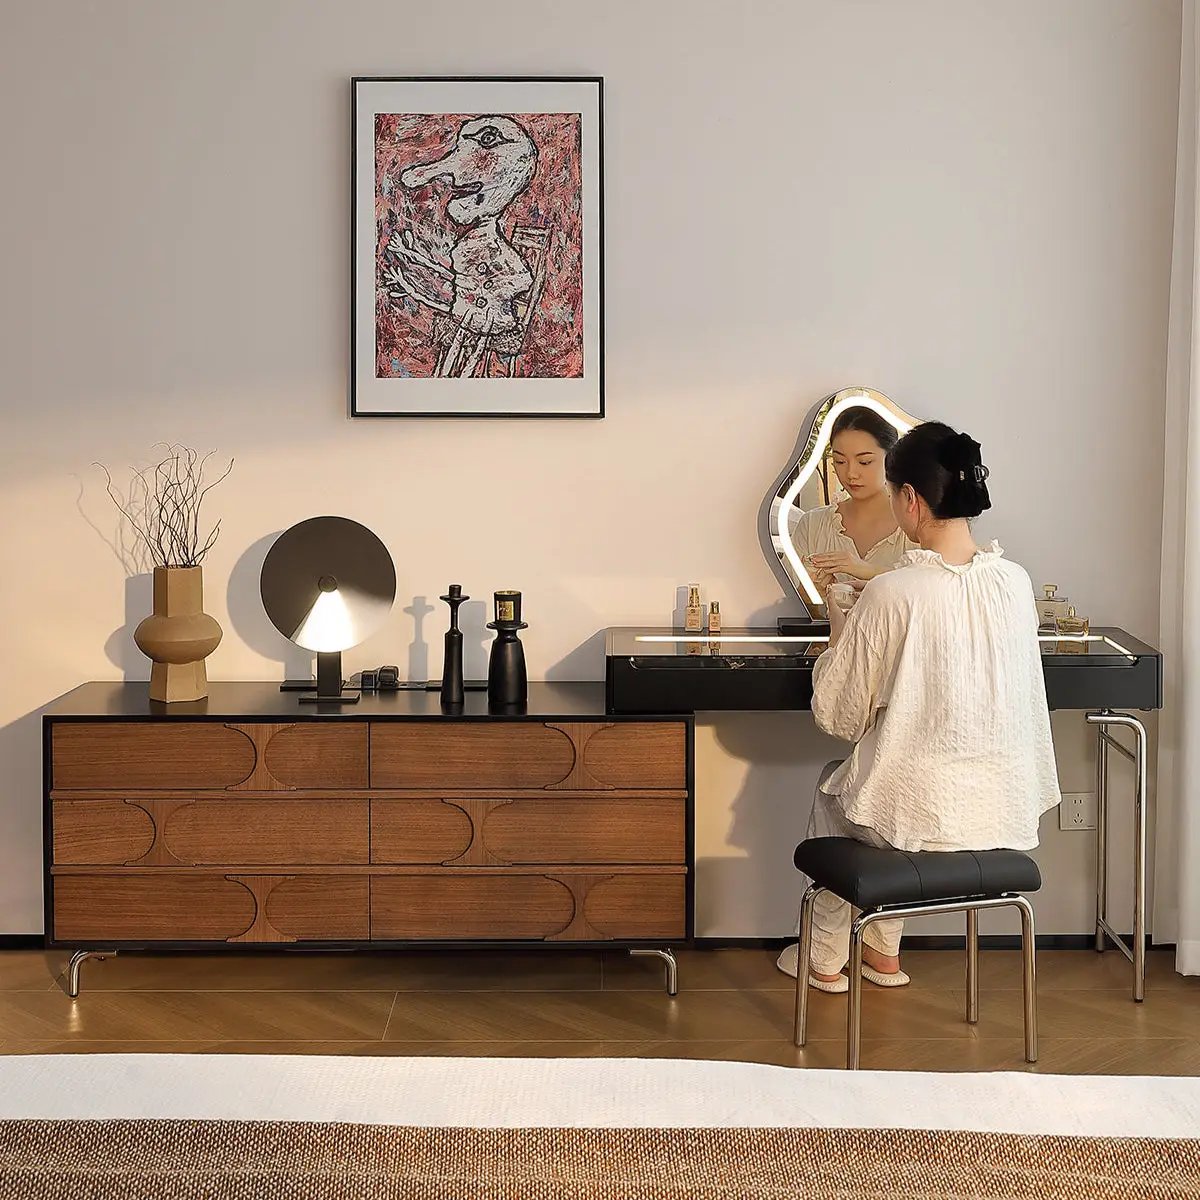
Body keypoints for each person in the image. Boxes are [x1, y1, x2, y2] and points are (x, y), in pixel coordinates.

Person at [777, 421, 1060, 990]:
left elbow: (838, 716)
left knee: (847, 789)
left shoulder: (893, 592)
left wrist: (840, 628)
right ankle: (882, 953)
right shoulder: (1014, 582)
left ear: (908, 498)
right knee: (894, 787)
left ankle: (823, 959)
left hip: (922, 813)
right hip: (1000, 809)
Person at [789, 407, 918, 594]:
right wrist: (808, 592)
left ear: (891, 458)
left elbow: (937, 595)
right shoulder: (812, 526)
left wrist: (870, 571)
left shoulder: (915, 528)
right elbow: (791, 607)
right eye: (840, 461)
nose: (850, 473)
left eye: (864, 462)